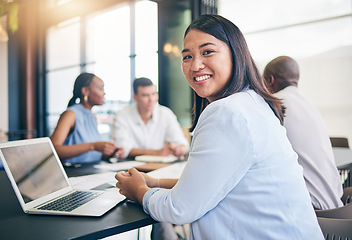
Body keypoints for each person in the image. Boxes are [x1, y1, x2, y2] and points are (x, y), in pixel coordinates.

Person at [115, 14, 323, 239]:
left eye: (207, 52)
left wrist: (139, 191)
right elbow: (220, 183)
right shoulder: (252, 102)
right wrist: (155, 182)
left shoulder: (227, 112)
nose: (195, 65)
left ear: (235, 53)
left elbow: (179, 209)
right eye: (187, 56)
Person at [263, 55, 343, 210]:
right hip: (337, 206)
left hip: (313, 211)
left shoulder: (278, 103)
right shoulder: (309, 106)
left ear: (269, 80)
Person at [51, 72, 124, 165]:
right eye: (101, 88)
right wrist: (93, 146)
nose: (104, 92)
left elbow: (91, 154)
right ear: (85, 91)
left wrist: (110, 152)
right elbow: (53, 150)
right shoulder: (70, 114)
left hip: (91, 170)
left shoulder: (92, 116)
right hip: (74, 172)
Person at [111, 77, 189, 159]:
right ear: (135, 97)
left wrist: (180, 149)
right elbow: (122, 149)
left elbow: (182, 143)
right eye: (145, 95)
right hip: (129, 165)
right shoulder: (122, 115)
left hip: (157, 165)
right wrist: (157, 153)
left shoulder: (165, 114)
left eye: (154, 94)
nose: (151, 99)